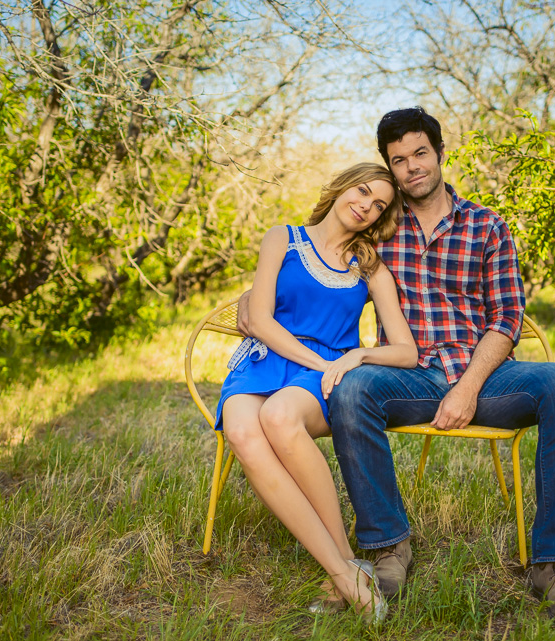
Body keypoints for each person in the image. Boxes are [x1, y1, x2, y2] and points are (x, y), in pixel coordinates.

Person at [324, 107, 555, 620]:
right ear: (389, 166)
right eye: (398, 159)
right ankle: (388, 547)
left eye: (420, 153)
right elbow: (317, 265)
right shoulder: (377, 227)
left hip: (488, 376)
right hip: (408, 376)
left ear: (441, 154)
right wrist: (255, 298)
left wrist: (468, 387)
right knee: (352, 390)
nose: (411, 168)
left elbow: (507, 316)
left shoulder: (487, 225)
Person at [217, 162, 418, 624]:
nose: (366, 205)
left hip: (324, 377)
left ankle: (344, 564)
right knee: (243, 432)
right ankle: (348, 572)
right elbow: (262, 320)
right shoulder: (281, 238)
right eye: (362, 191)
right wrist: (323, 362)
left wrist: (356, 358)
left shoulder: (370, 268)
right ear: (343, 187)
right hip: (265, 359)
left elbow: (406, 351)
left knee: (281, 418)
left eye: (379, 205)